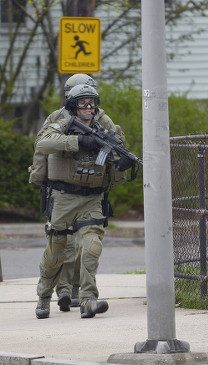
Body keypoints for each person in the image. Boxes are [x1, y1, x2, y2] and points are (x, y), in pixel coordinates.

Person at [34, 84, 133, 319]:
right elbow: (43, 143)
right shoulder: (62, 121)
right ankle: (44, 296)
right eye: (82, 102)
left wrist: (121, 165)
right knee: (57, 249)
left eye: (92, 101)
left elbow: (116, 166)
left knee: (92, 247)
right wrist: (78, 142)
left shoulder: (104, 126)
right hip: (64, 196)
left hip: (93, 197)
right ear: (72, 105)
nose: (88, 107)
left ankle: (89, 300)